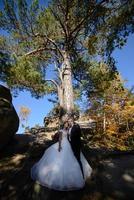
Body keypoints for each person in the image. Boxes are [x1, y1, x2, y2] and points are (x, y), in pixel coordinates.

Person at [31, 120, 92, 191]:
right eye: (66, 124)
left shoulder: (68, 130)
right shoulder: (61, 130)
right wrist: (59, 146)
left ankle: (80, 175)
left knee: (73, 158)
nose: (67, 125)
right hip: (63, 144)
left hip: (69, 145)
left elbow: (71, 138)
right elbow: (60, 139)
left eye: (67, 124)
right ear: (64, 125)